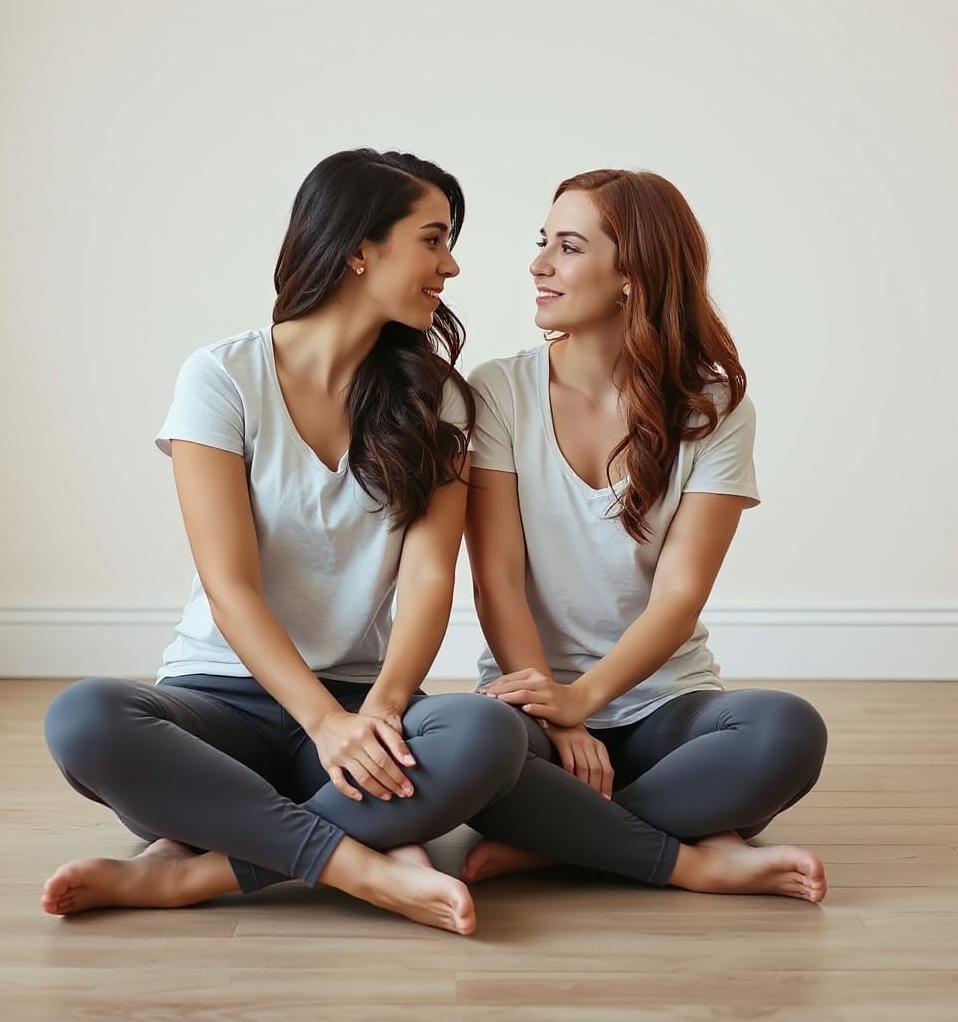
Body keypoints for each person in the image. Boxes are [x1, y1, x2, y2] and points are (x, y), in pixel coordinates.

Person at [41, 149, 529, 935]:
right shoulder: (223, 377)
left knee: (489, 732)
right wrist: (320, 724)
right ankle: (362, 863)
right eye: (433, 240)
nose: (453, 264)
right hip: (220, 701)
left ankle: (199, 866)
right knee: (84, 718)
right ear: (359, 248)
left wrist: (379, 708)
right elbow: (229, 584)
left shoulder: (438, 400)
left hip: (360, 699)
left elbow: (432, 577)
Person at [462, 169, 829, 903]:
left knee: (787, 731)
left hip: (666, 705)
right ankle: (690, 850)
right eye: (544, 243)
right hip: (533, 706)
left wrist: (589, 697)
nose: (539, 265)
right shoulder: (497, 390)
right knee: (471, 750)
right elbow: (496, 577)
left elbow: (680, 595)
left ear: (633, 274)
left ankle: (562, 845)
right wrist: (559, 713)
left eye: (567, 247)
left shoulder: (714, 405)